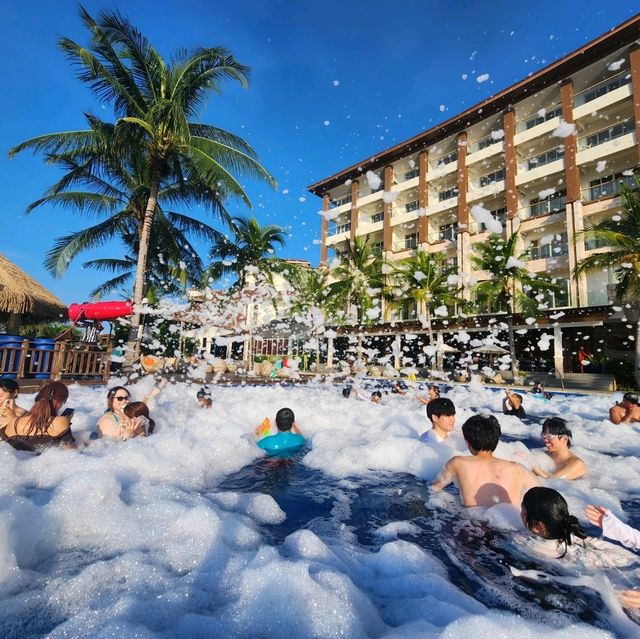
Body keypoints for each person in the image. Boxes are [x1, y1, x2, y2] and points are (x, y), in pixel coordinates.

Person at [432, 414, 538, 507]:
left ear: (468, 443)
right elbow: (543, 494)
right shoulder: (517, 468)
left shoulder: (458, 462)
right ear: (496, 441)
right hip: (510, 522)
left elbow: (434, 488)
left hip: (474, 524)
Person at [0, 381, 75, 452]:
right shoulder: (61, 422)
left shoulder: (13, 423)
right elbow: (71, 453)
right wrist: (66, 425)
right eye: (63, 402)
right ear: (58, 402)